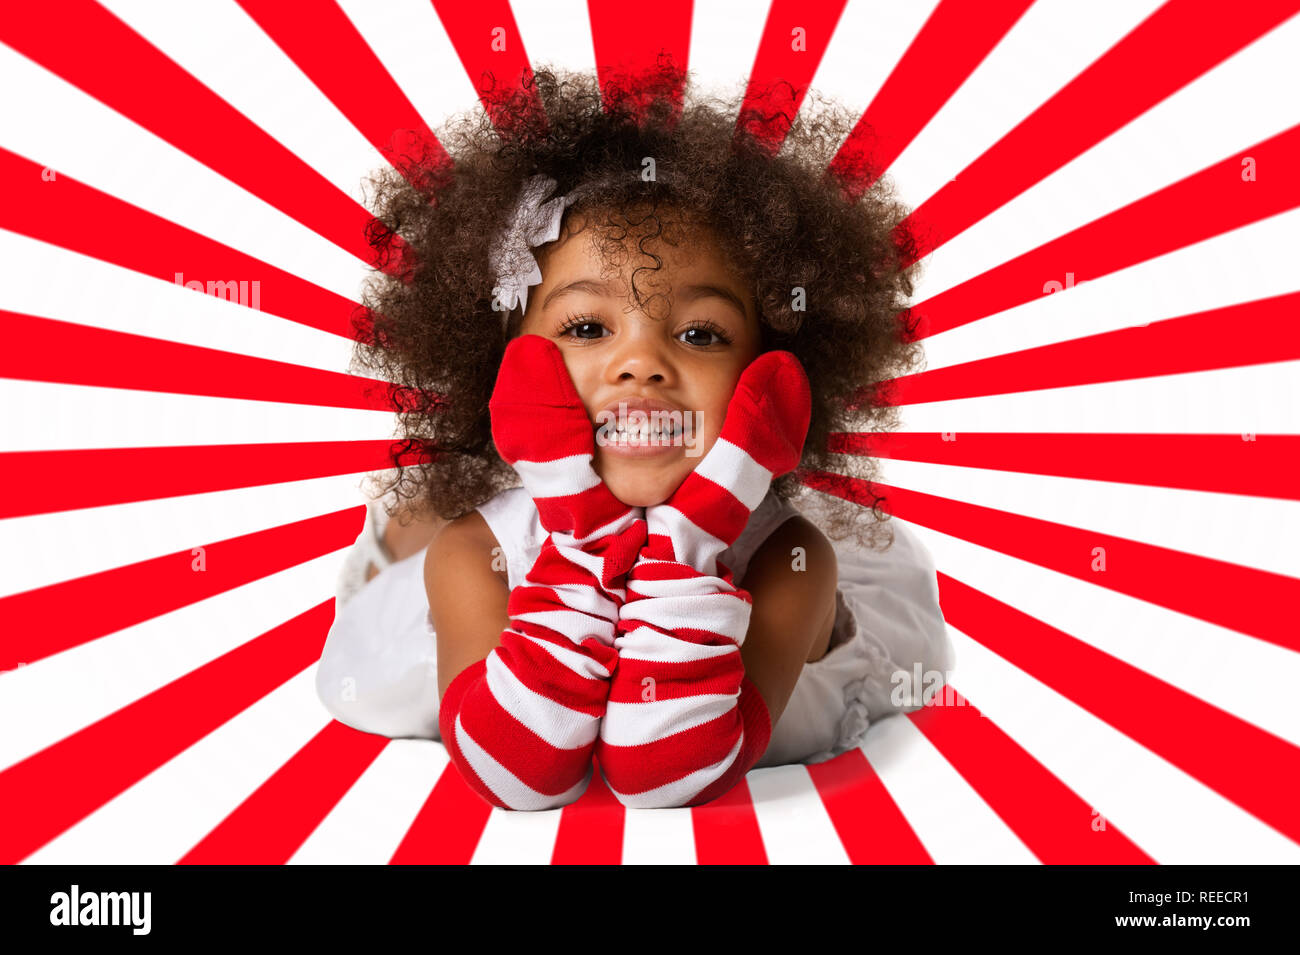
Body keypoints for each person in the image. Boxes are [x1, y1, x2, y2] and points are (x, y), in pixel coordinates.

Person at [315, 62, 954, 810]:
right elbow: (518, 774)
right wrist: (575, 518)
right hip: (472, 570)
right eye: (586, 328)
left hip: (794, 583)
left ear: (766, 373)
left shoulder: (791, 559)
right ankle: (392, 533)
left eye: (700, 333)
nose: (643, 364)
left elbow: (671, 765)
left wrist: (703, 521)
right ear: (506, 364)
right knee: (414, 537)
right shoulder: (472, 557)